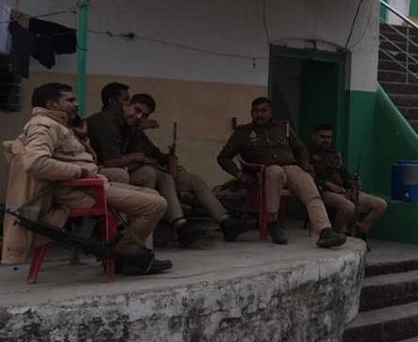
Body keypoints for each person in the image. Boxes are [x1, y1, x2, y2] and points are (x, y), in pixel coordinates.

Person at [4, 82, 171, 275]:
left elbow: (76, 157)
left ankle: (126, 249)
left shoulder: (59, 125)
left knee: (152, 194)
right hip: (79, 190)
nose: (76, 104)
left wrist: (82, 137)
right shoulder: (43, 125)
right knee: (156, 205)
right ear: (52, 104)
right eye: (70, 100)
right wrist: (80, 172)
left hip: (88, 185)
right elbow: (36, 163)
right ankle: (123, 252)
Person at [216, 97, 346, 248]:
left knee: (308, 186)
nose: (260, 114)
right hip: (265, 171)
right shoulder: (243, 133)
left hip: (291, 167)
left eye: (263, 111)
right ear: (251, 113)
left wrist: (305, 166)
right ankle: (272, 222)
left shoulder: (283, 126)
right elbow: (223, 158)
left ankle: (325, 231)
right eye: (256, 111)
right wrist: (239, 174)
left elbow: (300, 149)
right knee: (275, 171)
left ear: (270, 112)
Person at [123, 93, 243, 245]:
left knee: (193, 179)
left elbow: (156, 155)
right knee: (163, 177)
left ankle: (225, 221)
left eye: (145, 115)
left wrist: (170, 157)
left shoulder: (140, 134)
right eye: (137, 111)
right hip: (142, 175)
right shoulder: (124, 129)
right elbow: (135, 159)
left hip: (159, 173)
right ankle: (180, 226)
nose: (140, 117)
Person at [310, 123, 387, 238]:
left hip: (344, 190)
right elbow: (308, 178)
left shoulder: (336, 155)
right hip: (323, 191)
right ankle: (334, 234)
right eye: (322, 137)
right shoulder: (308, 154)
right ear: (314, 137)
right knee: (348, 207)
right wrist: (326, 184)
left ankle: (361, 229)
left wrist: (353, 188)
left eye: (329, 137)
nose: (326, 140)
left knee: (380, 204)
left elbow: (346, 175)